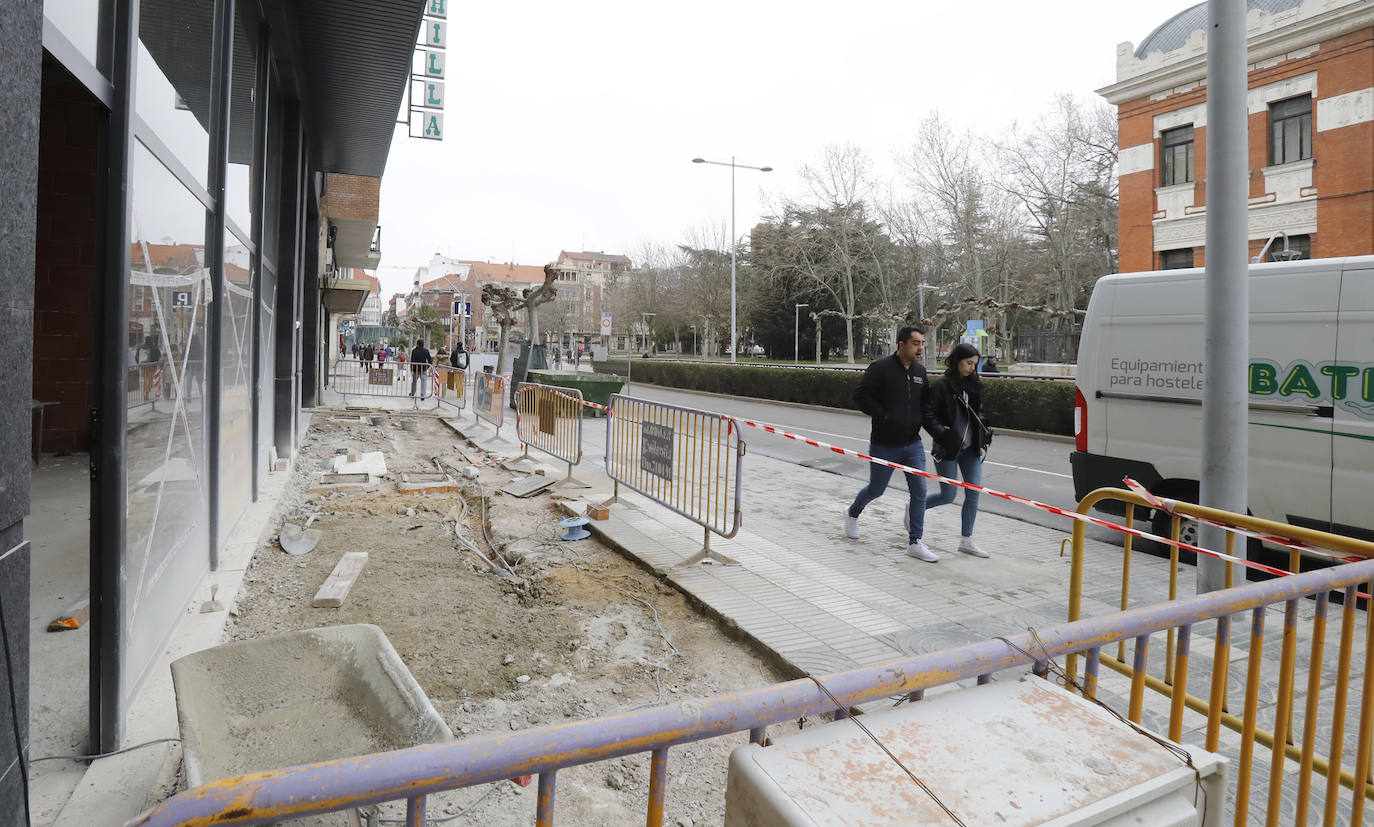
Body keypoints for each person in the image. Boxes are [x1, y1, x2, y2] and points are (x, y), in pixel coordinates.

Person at [844, 326, 948, 562]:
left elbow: (925, 408)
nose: (920, 347)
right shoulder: (881, 368)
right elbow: (861, 395)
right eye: (915, 343)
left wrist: (939, 431)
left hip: (913, 444)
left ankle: (915, 542)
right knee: (876, 489)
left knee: (920, 492)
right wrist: (884, 415)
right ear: (901, 345)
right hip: (885, 444)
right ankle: (852, 513)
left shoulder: (920, 372)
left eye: (922, 343)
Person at [925, 342, 994, 558]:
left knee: (973, 493)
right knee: (948, 495)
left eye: (975, 364)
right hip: (948, 448)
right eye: (968, 363)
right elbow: (927, 415)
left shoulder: (973, 385)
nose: (972, 368)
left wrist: (984, 429)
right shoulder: (941, 386)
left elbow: (979, 412)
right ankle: (915, 507)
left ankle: (967, 540)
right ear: (956, 361)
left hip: (971, 449)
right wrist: (941, 433)